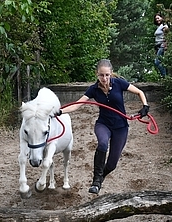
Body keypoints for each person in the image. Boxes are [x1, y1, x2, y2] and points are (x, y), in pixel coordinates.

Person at [59, 59, 149, 195]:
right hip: (103, 124)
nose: (104, 78)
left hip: (121, 127)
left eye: (107, 75)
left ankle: (100, 178)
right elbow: (77, 105)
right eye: (101, 75)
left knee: (112, 165)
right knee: (102, 144)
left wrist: (145, 106)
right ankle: (96, 181)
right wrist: (59, 111)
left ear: (111, 74)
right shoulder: (93, 89)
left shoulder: (119, 84)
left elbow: (139, 92)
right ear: (97, 74)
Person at [153, 13, 168, 78]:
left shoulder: (164, 25)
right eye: (156, 19)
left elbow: (167, 34)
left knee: (157, 62)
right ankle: (165, 77)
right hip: (158, 46)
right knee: (161, 62)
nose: (157, 20)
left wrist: (166, 44)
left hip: (162, 45)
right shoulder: (159, 26)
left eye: (158, 18)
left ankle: (165, 76)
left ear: (162, 18)